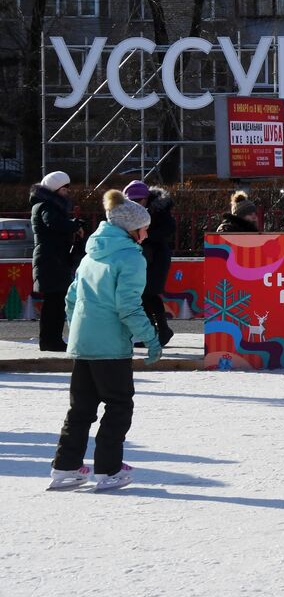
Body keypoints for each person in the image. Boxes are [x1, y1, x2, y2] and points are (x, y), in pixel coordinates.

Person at [47, 190, 162, 492]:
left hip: (84, 343)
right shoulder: (131, 257)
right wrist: (151, 339)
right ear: (131, 228)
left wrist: (79, 329)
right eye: (144, 228)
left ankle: (65, 466)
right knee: (119, 405)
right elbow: (128, 306)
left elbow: (71, 298)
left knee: (81, 409)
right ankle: (109, 470)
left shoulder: (91, 255)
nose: (146, 234)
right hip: (111, 346)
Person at [31, 171, 85, 352]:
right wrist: (74, 225)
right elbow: (53, 223)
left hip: (53, 260)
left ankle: (52, 339)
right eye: (64, 189)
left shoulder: (48, 205)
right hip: (50, 261)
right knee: (54, 303)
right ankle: (50, 341)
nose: (67, 192)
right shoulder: (46, 206)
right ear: (54, 189)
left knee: (56, 301)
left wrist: (72, 224)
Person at [122, 181, 176, 347]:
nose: (136, 203)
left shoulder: (159, 210)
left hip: (157, 257)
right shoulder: (130, 211)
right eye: (132, 200)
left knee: (149, 293)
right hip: (142, 256)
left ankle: (161, 331)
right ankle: (154, 333)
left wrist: (145, 236)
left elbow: (169, 229)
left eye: (139, 200)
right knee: (143, 294)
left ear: (146, 198)